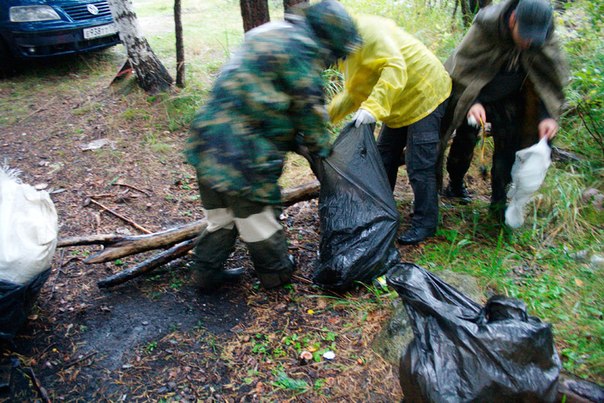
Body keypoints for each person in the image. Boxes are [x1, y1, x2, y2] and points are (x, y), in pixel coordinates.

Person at [184, 0, 360, 292]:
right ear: (329, 39)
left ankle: (205, 272)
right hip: (244, 153)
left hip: (206, 139)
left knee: (221, 216)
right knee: (257, 219)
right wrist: (323, 151)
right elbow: (310, 112)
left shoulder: (270, 31)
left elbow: (261, 94)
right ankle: (275, 275)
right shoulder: (303, 50)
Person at [328, 15, 452, 245]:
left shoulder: (369, 32)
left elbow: (395, 68)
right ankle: (380, 211)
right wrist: (328, 115)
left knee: (419, 164)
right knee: (384, 157)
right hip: (398, 102)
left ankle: (426, 223)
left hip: (425, 91)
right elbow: (355, 91)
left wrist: (373, 108)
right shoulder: (346, 50)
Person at [440, 0, 568, 218]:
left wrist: (547, 116)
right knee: (465, 136)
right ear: (512, 20)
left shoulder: (544, 36)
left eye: (534, 38)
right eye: (525, 34)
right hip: (477, 95)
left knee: (509, 146)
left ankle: (499, 204)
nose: (529, 42)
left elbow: (549, 82)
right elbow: (461, 71)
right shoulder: (486, 27)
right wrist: (473, 102)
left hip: (512, 99)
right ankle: (455, 183)